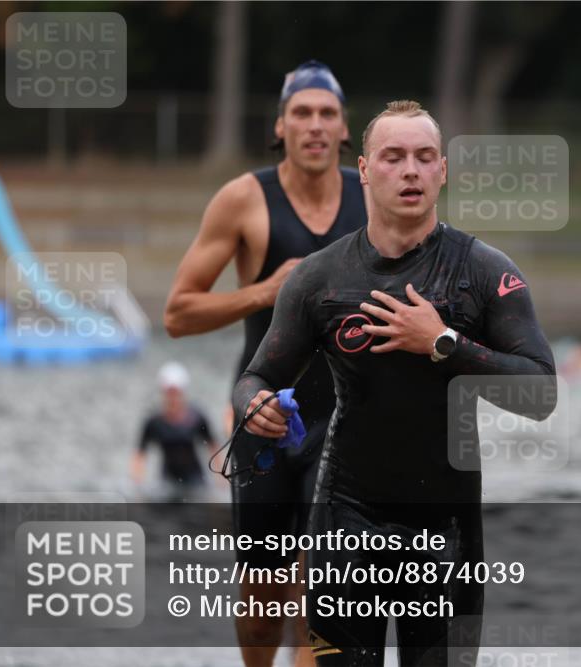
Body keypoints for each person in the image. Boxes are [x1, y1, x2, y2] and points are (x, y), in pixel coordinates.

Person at [234, 100, 556, 666]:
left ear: (443, 172)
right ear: (363, 169)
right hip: (347, 519)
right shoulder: (319, 278)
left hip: (447, 528)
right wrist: (255, 405)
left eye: (425, 157)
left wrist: (443, 344)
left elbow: (540, 393)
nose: (410, 170)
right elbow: (257, 375)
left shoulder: (484, 272)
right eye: (394, 157)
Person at [163, 60, 367, 667]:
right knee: (262, 605)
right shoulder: (244, 199)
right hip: (263, 419)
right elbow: (178, 313)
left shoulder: (372, 194)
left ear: (344, 128)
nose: (314, 125)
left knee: (319, 598)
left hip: (347, 426)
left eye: (327, 114)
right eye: (301, 113)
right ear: (280, 126)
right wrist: (265, 289)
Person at [133, 362, 216, 501]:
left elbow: (213, 447)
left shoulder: (197, 418)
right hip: (167, 481)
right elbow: (140, 454)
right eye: (168, 393)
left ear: (183, 393)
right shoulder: (154, 422)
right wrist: (137, 484)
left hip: (196, 480)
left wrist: (221, 481)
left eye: (176, 393)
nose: (172, 398)